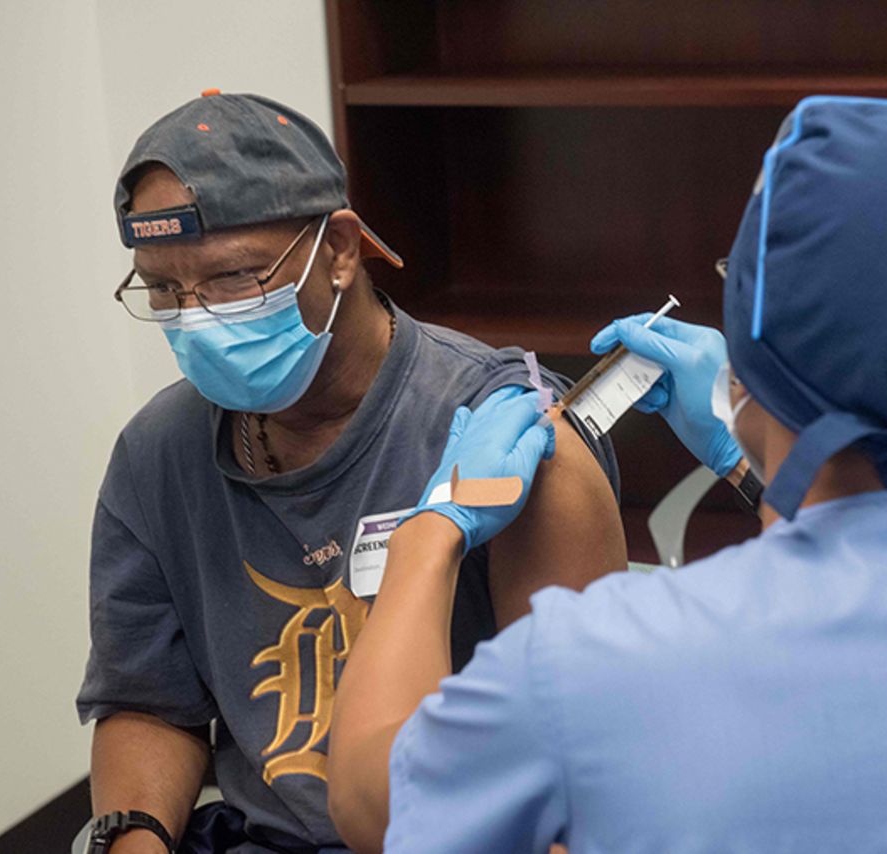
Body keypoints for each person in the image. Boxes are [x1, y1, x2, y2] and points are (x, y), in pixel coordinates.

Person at [326, 97, 887, 853]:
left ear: (752, 340)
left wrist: (430, 532)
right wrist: (750, 453)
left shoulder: (592, 665)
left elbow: (373, 798)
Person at [75, 91, 626, 854]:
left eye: (234, 280)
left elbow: (581, 757)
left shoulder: (505, 436)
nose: (196, 319)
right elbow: (148, 702)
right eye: (164, 290)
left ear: (339, 250)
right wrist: (131, 838)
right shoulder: (158, 453)